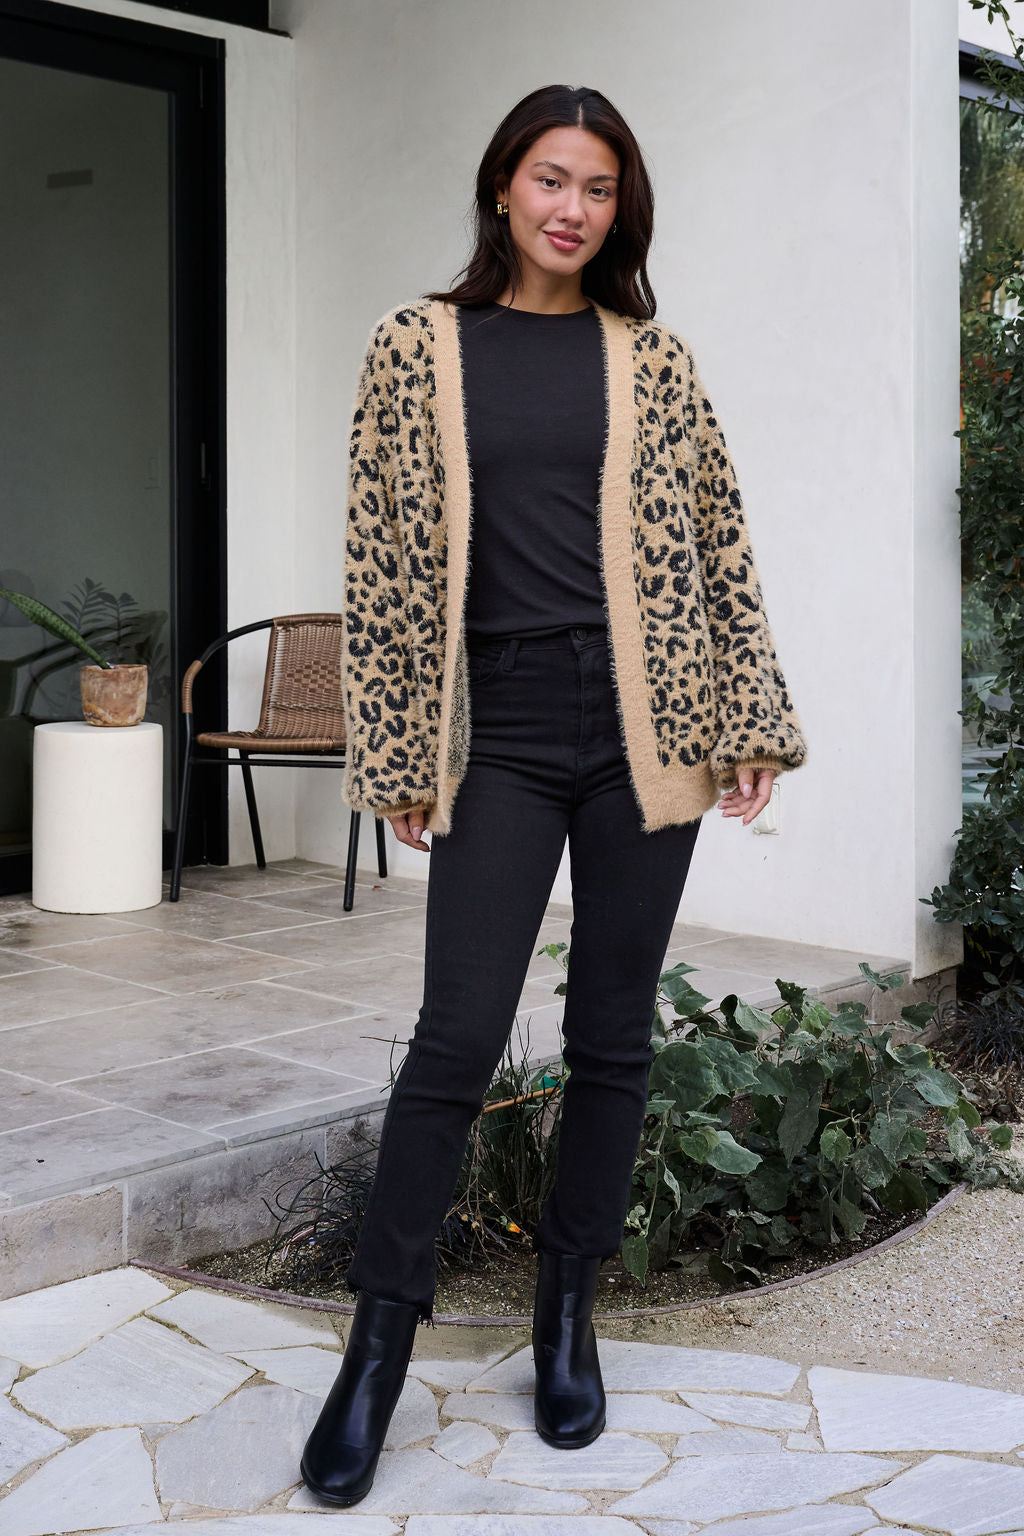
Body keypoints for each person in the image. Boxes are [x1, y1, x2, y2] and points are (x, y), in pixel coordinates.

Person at [300, 83, 808, 1507]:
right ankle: (377, 1351)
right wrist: (398, 747)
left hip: (649, 723)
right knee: (456, 1039)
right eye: (549, 178)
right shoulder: (416, 344)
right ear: (502, 187)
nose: (571, 207)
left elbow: (719, 545)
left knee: (612, 1038)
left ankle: (566, 1315)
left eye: (597, 186)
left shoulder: (656, 360)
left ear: (618, 206)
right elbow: (379, 560)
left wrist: (751, 715)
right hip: (501, 730)